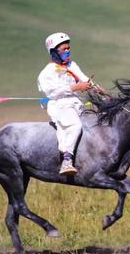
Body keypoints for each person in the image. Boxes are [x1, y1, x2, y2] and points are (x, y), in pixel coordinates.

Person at [37, 32, 93, 175]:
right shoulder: (47, 72)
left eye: (68, 48)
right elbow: (52, 93)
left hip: (77, 103)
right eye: (64, 49)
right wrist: (76, 87)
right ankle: (66, 161)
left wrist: (98, 89)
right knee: (76, 126)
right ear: (54, 51)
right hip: (59, 105)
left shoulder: (72, 65)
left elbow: (85, 79)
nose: (67, 51)